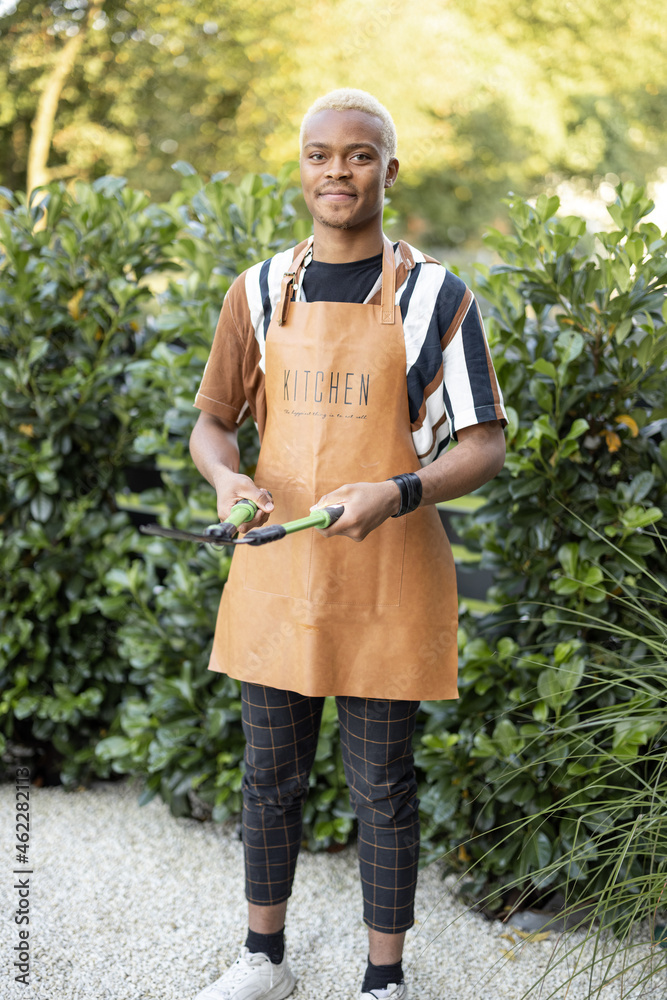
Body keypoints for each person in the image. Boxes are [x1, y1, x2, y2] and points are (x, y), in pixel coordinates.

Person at [188, 88, 507, 1000]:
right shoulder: (255, 289)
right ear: (301, 169)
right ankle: (262, 962)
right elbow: (211, 424)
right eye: (320, 154)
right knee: (267, 779)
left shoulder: (437, 296)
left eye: (359, 155)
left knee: (382, 788)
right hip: (279, 570)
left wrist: (400, 489)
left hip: (389, 575)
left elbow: (483, 440)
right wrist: (228, 480)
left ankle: (384, 978)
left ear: (388, 170)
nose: (338, 170)